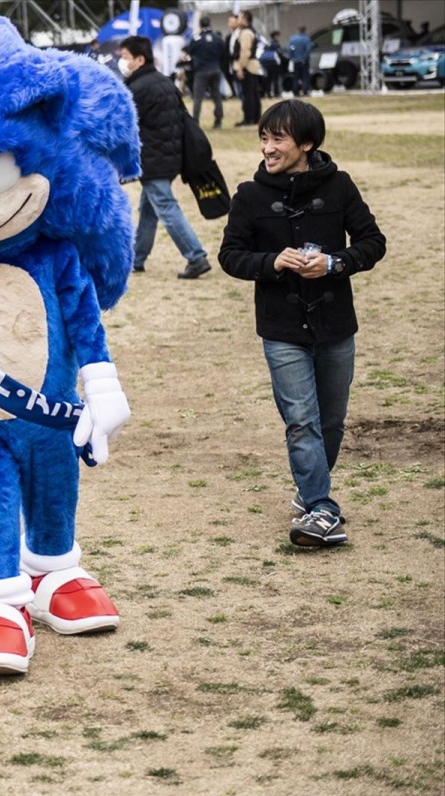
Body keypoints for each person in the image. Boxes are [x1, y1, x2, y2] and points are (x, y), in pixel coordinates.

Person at [219, 100, 385, 548]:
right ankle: (321, 508)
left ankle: (310, 489)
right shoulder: (249, 195)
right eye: (264, 137)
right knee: (301, 421)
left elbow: (373, 243)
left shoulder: (340, 187)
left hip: (335, 323)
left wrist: (335, 263)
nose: (267, 147)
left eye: (278, 139)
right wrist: (273, 261)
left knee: (331, 421)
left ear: (306, 144)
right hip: (282, 328)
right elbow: (231, 256)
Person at [119, 35, 212, 280]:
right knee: (148, 209)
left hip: (153, 159)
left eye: (125, 57)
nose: (121, 61)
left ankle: (196, 256)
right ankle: (137, 259)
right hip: (169, 157)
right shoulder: (162, 81)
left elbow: (124, 125)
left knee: (166, 208)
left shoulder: (139, 88)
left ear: (139, 59)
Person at [185, 16, 224, 130]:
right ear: (210, 23)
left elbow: (190, 52)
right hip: (215, 69)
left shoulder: (197, 38)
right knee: (217, 95)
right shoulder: (217, 38)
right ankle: (218, 121)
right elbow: (223, 53)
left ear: (200, 25)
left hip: (201, 71)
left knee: (198, 97)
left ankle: (196, 122)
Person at [233, 10, 264, 126]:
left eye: (240, 18)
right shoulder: (251, 31)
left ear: (245, 19)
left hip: (248, 66)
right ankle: (256, 117)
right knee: (254, 93)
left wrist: (241, 67)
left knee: (248, 94)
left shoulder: (246, 33)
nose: (238, 20)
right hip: (252, 66)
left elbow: (245, 52)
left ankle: (249, 118)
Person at [287, 26, 313, 97]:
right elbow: (308, 49)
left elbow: (291, 48)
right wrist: (304, 58)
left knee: (295, 76)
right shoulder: (306, 39)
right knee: (305, 76)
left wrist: (292, 57)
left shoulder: (292, 39)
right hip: (304, 61)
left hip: (295, 61)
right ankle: (305, 91)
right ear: (304, 30)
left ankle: (295, 91)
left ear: (297, 30)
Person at [260, 31, 286, 98]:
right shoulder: (276, 44)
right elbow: (280, 53)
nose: (279, 37)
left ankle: (268, 92)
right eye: (278, 36)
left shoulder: (268, 43)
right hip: (274, 63)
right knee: (275, 79)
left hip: (267, 63)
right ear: (275, 36)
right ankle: (276, 93)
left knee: (269, 78)